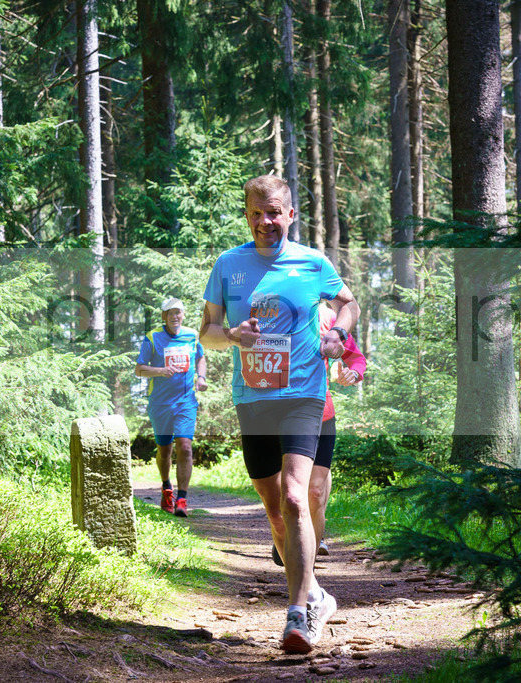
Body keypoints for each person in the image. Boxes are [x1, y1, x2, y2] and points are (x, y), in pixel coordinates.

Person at [200, 175, 360, 654]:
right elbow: (206, 330)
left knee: (295, 498)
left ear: (290, 214)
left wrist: (340, 337)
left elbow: (348, 304)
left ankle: (298, 615)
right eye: (256, 212)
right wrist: (230, 335)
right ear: (247, 215)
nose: (265, 221)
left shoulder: (312, 263)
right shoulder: (228, 265)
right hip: (253, 398)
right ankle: (315, 592)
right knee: (274, 511)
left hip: (304, 394)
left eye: (274, 212)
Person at [272, 305, 366, 566]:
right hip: (276, 412)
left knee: (314, 491)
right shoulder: (273, 311)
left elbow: (355, 357)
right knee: (288, 488)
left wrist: (353, 373)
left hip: (320, 413)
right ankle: (289, 530)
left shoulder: (328, 318)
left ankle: (307, 568)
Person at [136, 297, 208, 517]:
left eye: (178, 312)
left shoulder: (192, 335)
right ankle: (167, 488)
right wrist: (160, 371)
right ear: (163, 316)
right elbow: (139, 369)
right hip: (160, 402)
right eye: (170, 313)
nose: (175, 317)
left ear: (183, 315)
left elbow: (201, 358)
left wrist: (201, 377)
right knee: (164, 449)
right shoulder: (152, 337)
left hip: (186, 401)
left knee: (185, 446)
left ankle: (183, 499)